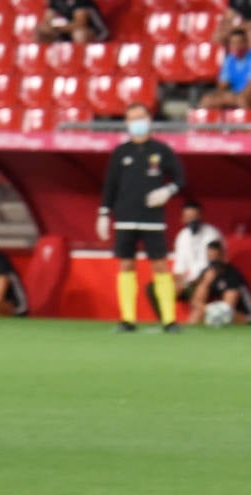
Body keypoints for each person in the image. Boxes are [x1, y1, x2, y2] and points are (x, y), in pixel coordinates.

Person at [97, 103, 185, 333]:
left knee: (160, 266)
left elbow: (180, 178)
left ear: (149, 119)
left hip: (152, 218)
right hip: (125, 217)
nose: (137, 123)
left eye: (140, 117)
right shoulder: (121, 152)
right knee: (126, 264)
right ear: (126, 123)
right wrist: (104, 213)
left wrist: (167, 191)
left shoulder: (161, 150)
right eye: (132, 119)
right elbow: (111, 185)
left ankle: (169, 320)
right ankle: (128, 319)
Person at [151, 201, 222, 318]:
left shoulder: (212, 234)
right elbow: (179, 267)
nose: (191, 221)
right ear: (183, 219)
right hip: (187, 281)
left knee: (196, 289)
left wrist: (193, 281)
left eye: (194, 217)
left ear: (200, 216)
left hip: (207, 279)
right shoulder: (182, 236)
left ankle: (194, 323)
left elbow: (216, 264)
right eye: (188, 217)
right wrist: (178, 282)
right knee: (155, 288)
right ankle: (166, 321)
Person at [189, 239, 251, 325]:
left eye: (216, 257)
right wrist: (205, 283)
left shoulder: (231, 275)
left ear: (222, 256)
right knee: (197, 313)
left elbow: (228, 307)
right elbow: (195, 302)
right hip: (217, 311)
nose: (213, 262)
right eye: (210, 258)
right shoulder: (206, 273)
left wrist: (211, 310)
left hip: (242, 315)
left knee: (223, 316)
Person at [198, 28, 251, 110]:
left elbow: (249, 88)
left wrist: (235, 97)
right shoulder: (229, 60)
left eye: (239, 42)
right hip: (234, 95)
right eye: (233, 43)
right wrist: (224, 96)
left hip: (246, 96)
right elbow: (222, 85)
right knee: (207, 100)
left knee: (242, 101)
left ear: (246, 43)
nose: (236, 46)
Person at [35, 0, 110, 44]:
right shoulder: (55, 1)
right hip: (69, 31)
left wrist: (56, 29)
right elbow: (47, 21)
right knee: (41, 32)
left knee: (79, 35)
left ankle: (82, 64)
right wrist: (47, 29)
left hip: (96, 32)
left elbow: (80, 23)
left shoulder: (80, 1)